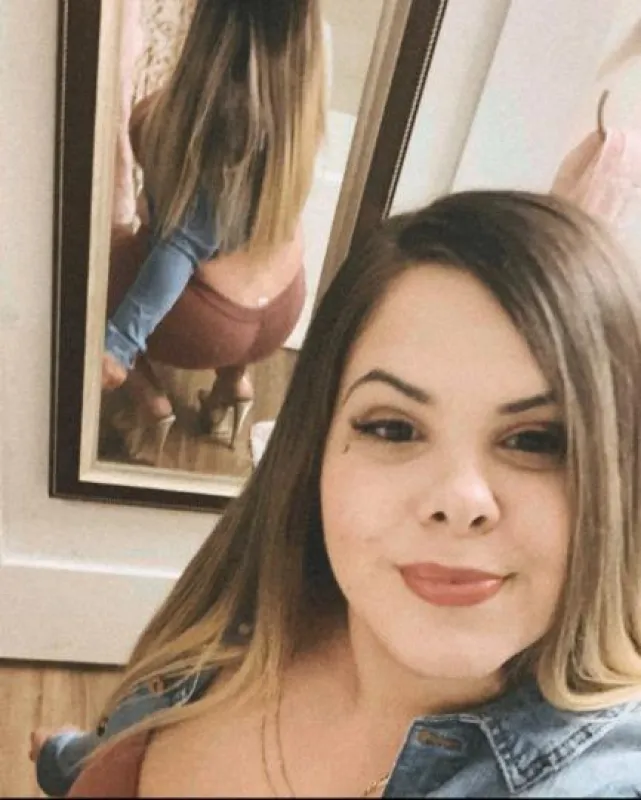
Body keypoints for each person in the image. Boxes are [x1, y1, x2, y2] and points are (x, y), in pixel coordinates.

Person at [32, 190, 641, 796]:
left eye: (536, 440)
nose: (460, 500)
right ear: (315, 447)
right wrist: (78, 762)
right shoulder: (243, 612)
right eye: (393, 428)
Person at [102, 0, 326, 451]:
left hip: (208, 324)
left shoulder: (211, 128)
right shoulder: (299, 118)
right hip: (282, 307)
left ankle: (150, 403)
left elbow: (179, 250)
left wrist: (118, 344)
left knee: (96, 262)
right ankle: (233, 387)